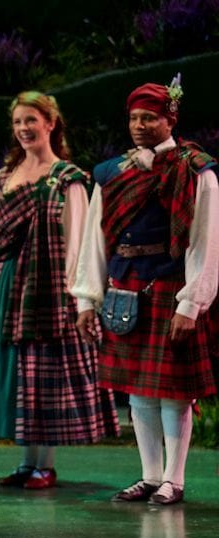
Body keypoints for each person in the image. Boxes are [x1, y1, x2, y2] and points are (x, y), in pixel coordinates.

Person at [0, 91, 119, 488]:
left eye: (32, 121)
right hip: (5, 283)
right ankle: (27, 462)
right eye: (18, 122)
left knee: (44, 374)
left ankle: (45, 463)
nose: (24, 129)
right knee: (17, 373)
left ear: (50, 123)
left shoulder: (69, 179)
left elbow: (77, 239)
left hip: (48, 287)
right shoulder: (5, 177)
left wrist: (79, 296)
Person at [72, 76, 218, 506]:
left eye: (149, 118)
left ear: (169, 119)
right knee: (138, 390)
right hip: (124, 289)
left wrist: (191, 302)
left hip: (170, 289)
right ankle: (150, 476)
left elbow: (204, 241)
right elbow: (95, 240)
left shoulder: (195, 170)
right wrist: (86, 298)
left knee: (174, 392)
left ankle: (175, 479)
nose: (139, 125)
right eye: (134, 118)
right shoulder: (111, 172)